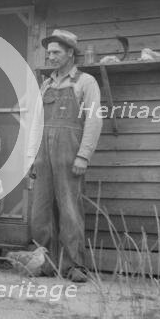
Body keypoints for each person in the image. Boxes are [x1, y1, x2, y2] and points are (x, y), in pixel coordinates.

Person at [27, 29, 102, 283]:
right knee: (41, 212)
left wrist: (84, 155)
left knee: (70, 210)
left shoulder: (85, 82)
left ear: (70, 53)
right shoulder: (46, 84)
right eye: (49, 53)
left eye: (57, 52)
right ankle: (45, 263)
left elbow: (94, 120)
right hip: (43, 157)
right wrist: (31, 157)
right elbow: (36, 123)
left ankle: (75, 266)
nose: (51, 57)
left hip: (70, 154)